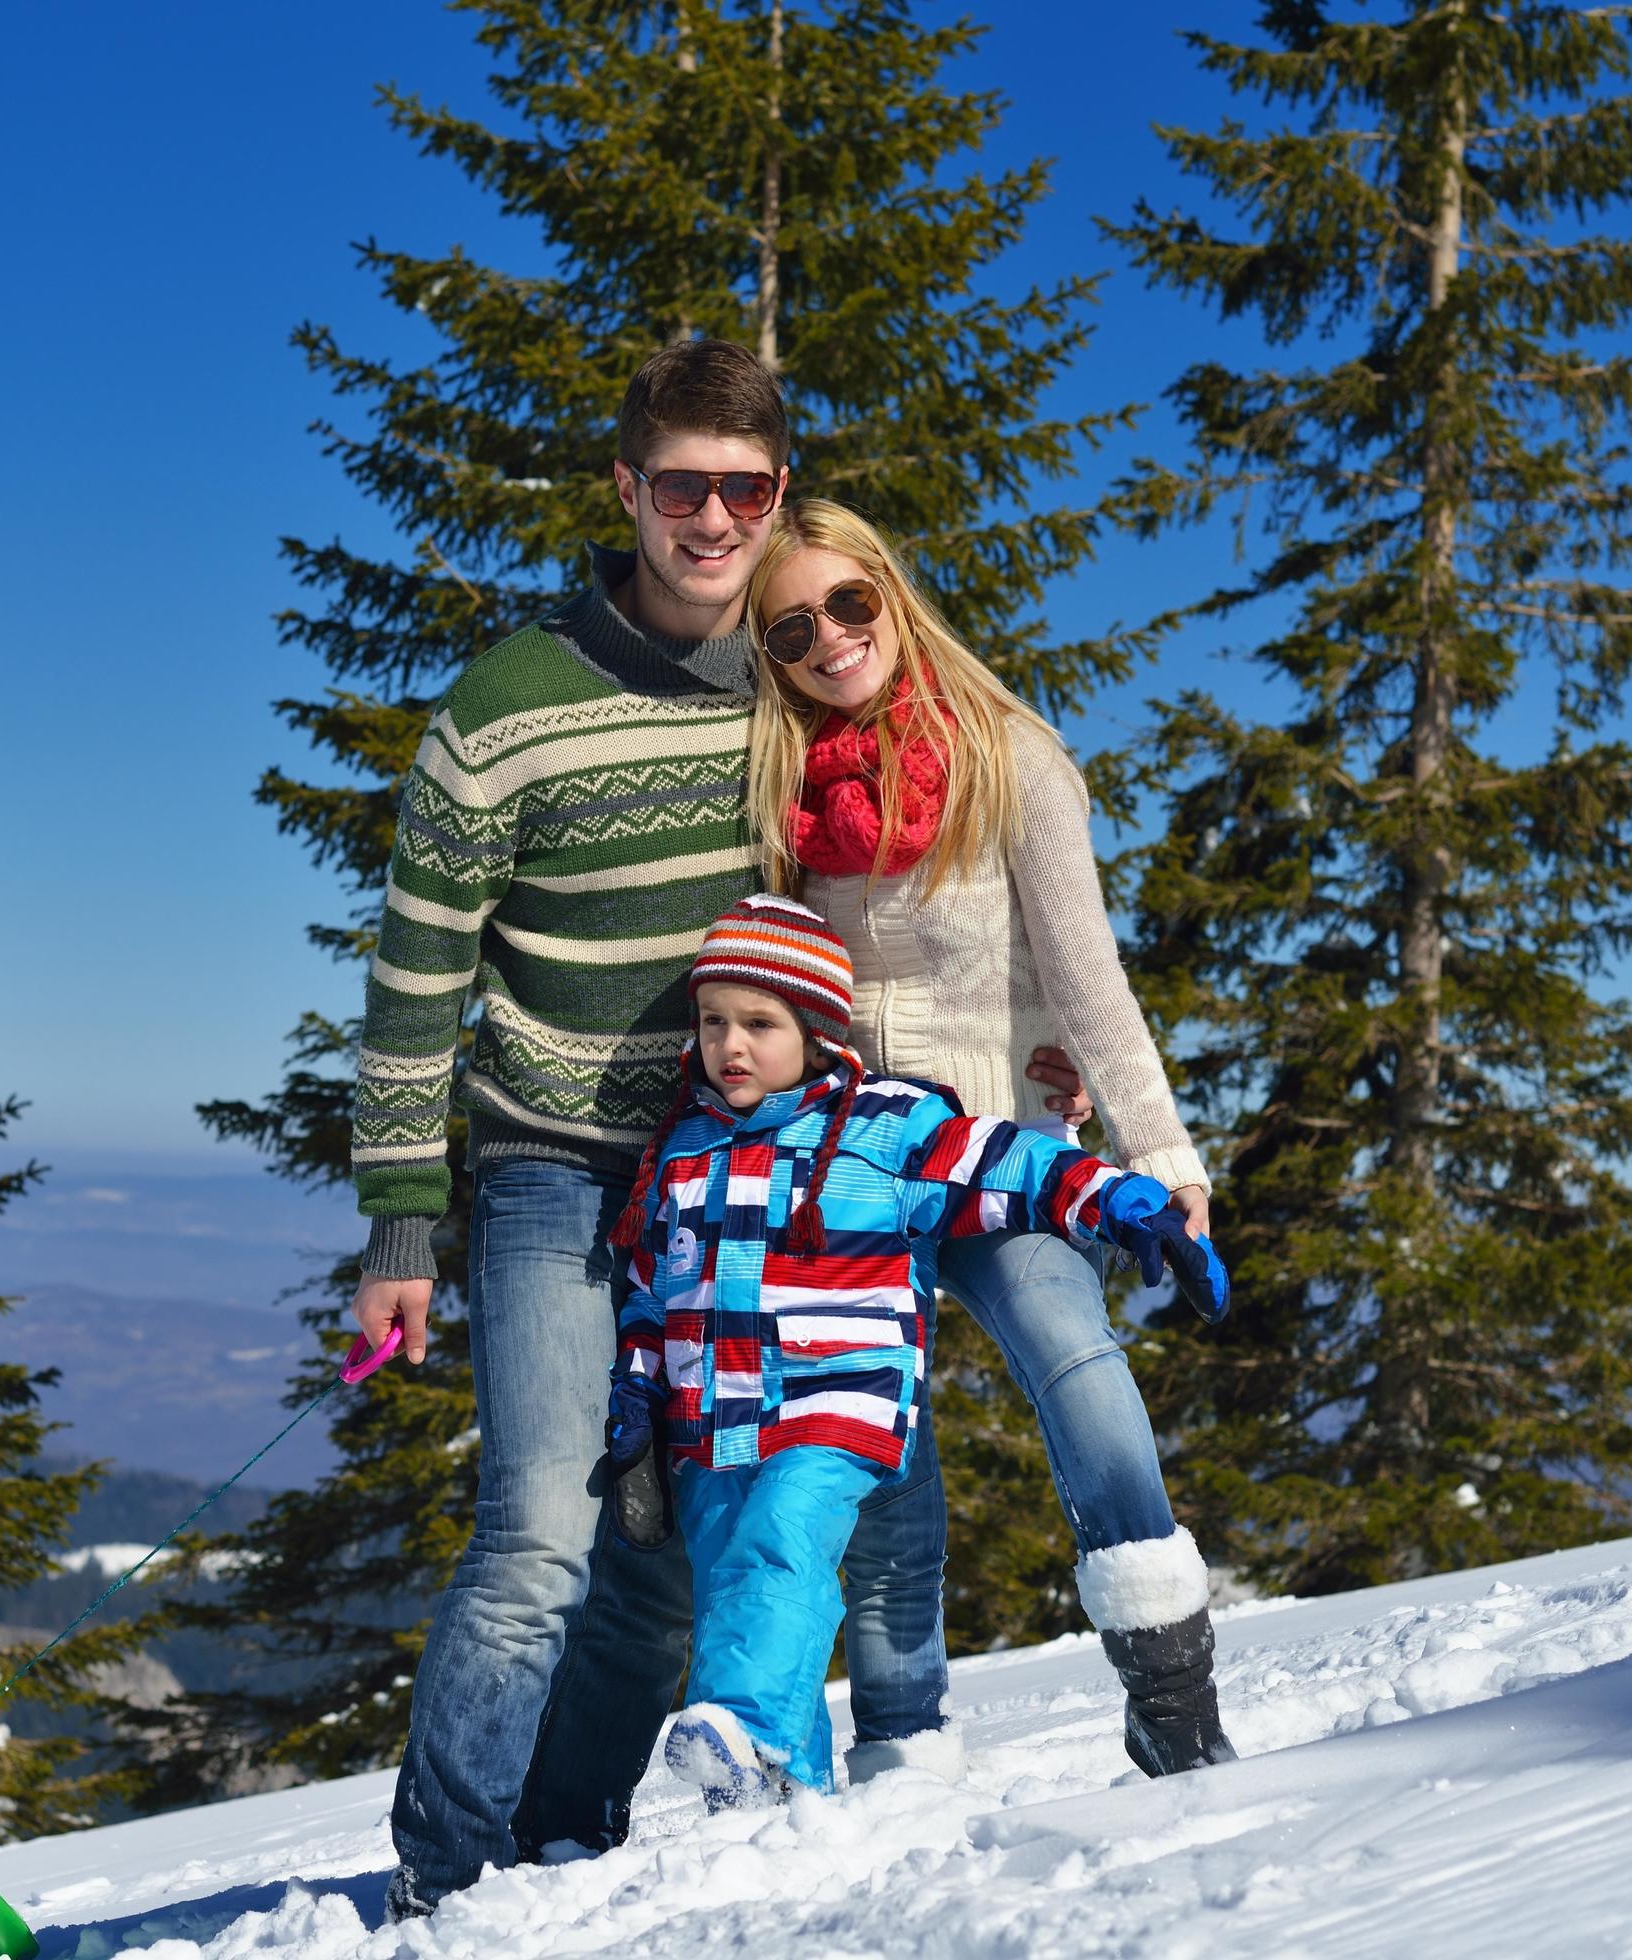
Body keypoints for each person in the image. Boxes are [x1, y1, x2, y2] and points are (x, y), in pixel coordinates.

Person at [347, 342, 1099, 1917]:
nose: (711, 519)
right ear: (627, 491)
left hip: (740, 1175)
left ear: (772, 501)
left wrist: (1035, 1038)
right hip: (559, 1166)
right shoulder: (504, 706)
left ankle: (560, 1846)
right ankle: (439, 1886)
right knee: (544, 1531)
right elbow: (419, 976)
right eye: (681, 487)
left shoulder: (784, 681)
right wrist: (403, 1227)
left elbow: (923, 868)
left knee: (671, 1547)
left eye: (742, 491)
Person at [733, 497, 1244, 1782]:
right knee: (877, 1434)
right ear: (773, 657)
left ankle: (1172, 1688)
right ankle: (903, 1735)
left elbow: (1089, 984)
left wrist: (1164, 1156)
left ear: (894, 596)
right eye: (795, 627)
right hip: (850, 1159)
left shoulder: (1010, 760)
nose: (833, 639)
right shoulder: (783, 791)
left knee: (1079, 1362)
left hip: (1001, 1146)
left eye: (851, 603)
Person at [599, 895, 1226, 1806]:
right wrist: (636, 1397)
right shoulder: (680, 1150)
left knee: (779, 1545)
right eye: (712, 1023)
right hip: (711, 1423)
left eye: (759, 1025)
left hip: (832, 1403)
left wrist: (1126, 1202)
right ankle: (787, 1803)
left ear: (814, 1032)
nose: (729, 1046)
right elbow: (653, 1291)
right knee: (742, 1583)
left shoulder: (882, 1125)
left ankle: (750, 1727)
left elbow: (1010, 1163)